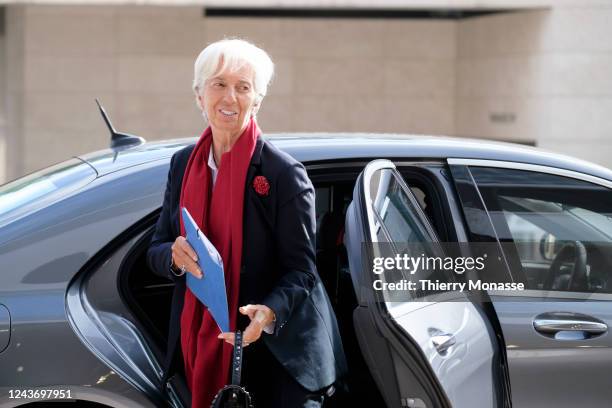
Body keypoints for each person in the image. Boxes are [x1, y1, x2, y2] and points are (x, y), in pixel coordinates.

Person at [147, 38, 347, 408]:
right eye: (219, 84)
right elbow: (156, 248)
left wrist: (268, 312)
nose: (230, 98)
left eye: (243, 88)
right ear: (199, 95)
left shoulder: (283, 174)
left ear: (257, 100)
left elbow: (302, 271)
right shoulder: (182, 165)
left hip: (274, 352)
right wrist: (173, 256)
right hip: (198, 342)